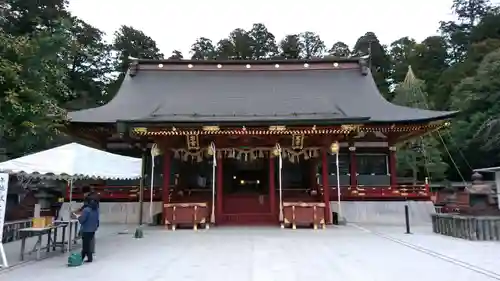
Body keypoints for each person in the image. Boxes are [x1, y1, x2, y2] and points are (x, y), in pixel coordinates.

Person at [78, 185, 100, 257]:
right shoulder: (94, 197)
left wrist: (80, 213)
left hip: (87, 223)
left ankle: (86, 253)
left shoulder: (89, 199)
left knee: (86, 239)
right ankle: (91, 250)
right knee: (91, 236)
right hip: (94, 221)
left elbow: (85, 208)